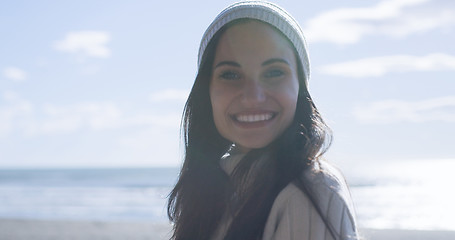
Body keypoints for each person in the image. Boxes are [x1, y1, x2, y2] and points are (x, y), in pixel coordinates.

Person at [167, 1, 359, 239]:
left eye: (274, 72)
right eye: (231, 74)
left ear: (300, 88)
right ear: (207, 92)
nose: (252, 97)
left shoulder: (313, 189)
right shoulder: (210, 188)